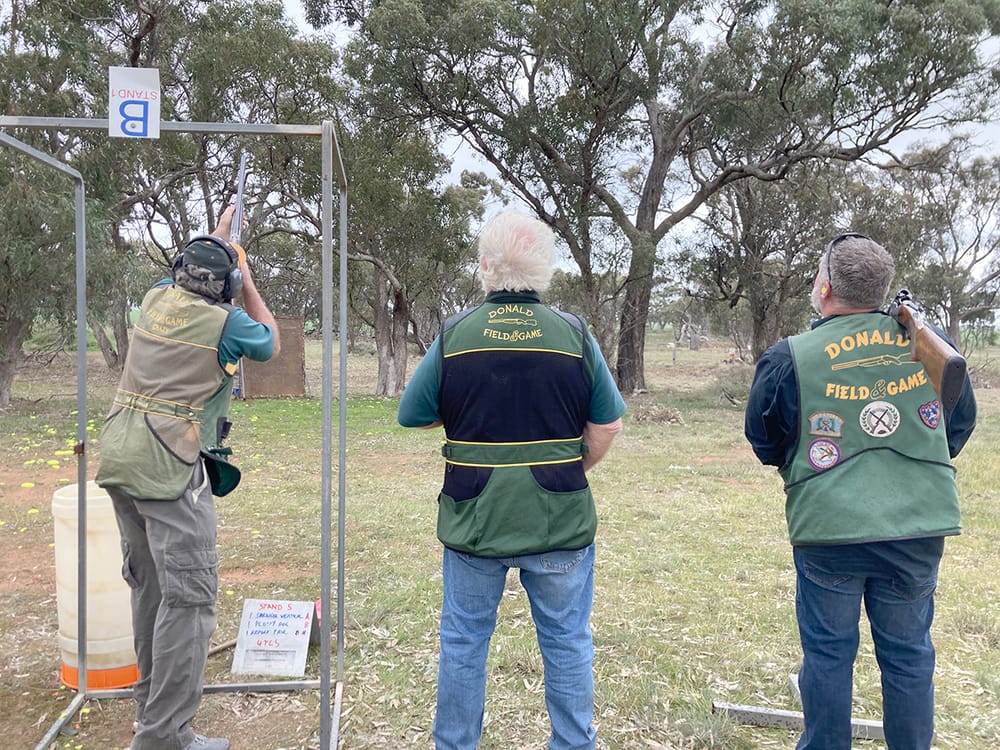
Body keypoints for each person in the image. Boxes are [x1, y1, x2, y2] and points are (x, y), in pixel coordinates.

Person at [398, 211, 626, 750]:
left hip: (474, 519)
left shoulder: (456, 334)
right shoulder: (574, 334)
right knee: (568, 641)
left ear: (484, 266)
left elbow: (413, 412)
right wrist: (567, 470)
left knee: (463, 642)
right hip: (560, 519)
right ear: (545, 268)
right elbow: (608, 423)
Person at [744, 232, 977, 749]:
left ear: (825, 286)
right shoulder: (928, 346)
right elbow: (957, 425)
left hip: (828, 527)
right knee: (910, 656)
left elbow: (764, 439)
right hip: (918, 525)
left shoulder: (790, 356)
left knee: (828, 656)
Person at [96, 205, 280, 750]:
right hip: (169, 468)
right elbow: (268, 340)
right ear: (224, 286)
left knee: (151, 592)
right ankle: (163, 738)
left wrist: (218, 240)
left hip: (120, 458)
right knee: (190, 602)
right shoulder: (225, 321)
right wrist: (244, 280)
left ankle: (152, 718)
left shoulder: (156, 298)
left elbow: (183, 274)